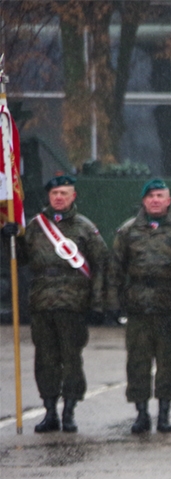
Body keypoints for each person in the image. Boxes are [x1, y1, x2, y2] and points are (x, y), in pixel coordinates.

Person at [0, 175, 107, 433]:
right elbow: (20, 258)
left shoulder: (85, 228)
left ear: (73, 196)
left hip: (73, 303)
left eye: (64, 193)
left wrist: (99, 303)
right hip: (42, 303)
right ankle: (50, 412)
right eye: (54, 193)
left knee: (71, 359)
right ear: (49, 196)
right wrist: (8, 238)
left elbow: (101, 264)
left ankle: (69, 411)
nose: (58, 197)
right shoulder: (35, 226)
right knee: (45, 360)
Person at [106, 179, 171, 434]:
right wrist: (113, 303)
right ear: (143, 201)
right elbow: (115, 269)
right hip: (137, 308)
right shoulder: (127, 232)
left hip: (168, 307)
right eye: (150, 196)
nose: (155, 200)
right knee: (137, 362)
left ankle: (164, 414)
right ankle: (141, 414)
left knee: (167, 363)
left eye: (160, 196)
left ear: (169, 200)